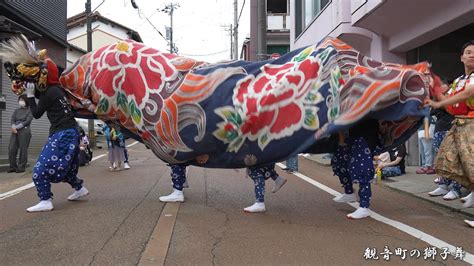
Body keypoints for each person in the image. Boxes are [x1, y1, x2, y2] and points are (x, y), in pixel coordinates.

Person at [424, 40, 474, 227]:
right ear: (461, 57)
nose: (472, 54)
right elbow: (452, 105)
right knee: (450, 162)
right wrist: (434, 87)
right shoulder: (459, 81)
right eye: (468, 52)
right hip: (461, 126)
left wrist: (438, 103)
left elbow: (469, 92)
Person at [331, 119, 381, 219]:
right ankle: (349, 192)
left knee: (363, 169)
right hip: (352, 133)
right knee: (340, 161)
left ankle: (364, 206)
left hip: (366, 135)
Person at [427, 107, 463, 200]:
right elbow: (432, 111)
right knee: (441, 160)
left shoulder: (452, 93)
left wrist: (441, 104)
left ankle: (455, 188)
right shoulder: (440, 96)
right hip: (439, 129)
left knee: (453, 160)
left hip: (451, 128)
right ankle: (443, 185)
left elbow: (453, 108)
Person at [8, 94, 33, 173]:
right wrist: (13, 127)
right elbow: (12, 119)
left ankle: (21, 167)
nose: (20, 101)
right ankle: (13, 166)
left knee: (23, 149)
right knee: (11, 148)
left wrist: (16, 127)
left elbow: (27, 121)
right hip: (14, 130)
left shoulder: (30, 110)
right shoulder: (16, 110)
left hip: (24, 130)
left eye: (22, 100)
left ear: (27, 101)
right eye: (20, 100)